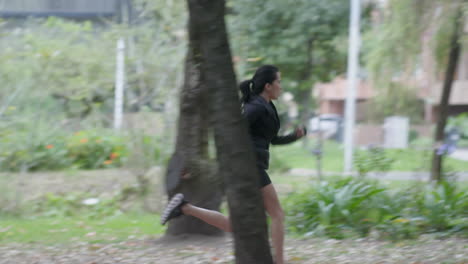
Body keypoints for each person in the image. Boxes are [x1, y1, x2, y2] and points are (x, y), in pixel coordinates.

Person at [160, 65, 305, 264]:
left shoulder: (267, 106)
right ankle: (279, 262)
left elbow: (271, 139)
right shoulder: (255, 107)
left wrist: (293, 137)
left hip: (253, 168)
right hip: (249, 168)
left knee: (241, 226)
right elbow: (235, 132)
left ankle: (185, 208)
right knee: (277, 214)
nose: (281, 86)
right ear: (268, 86)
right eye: (279, 82)